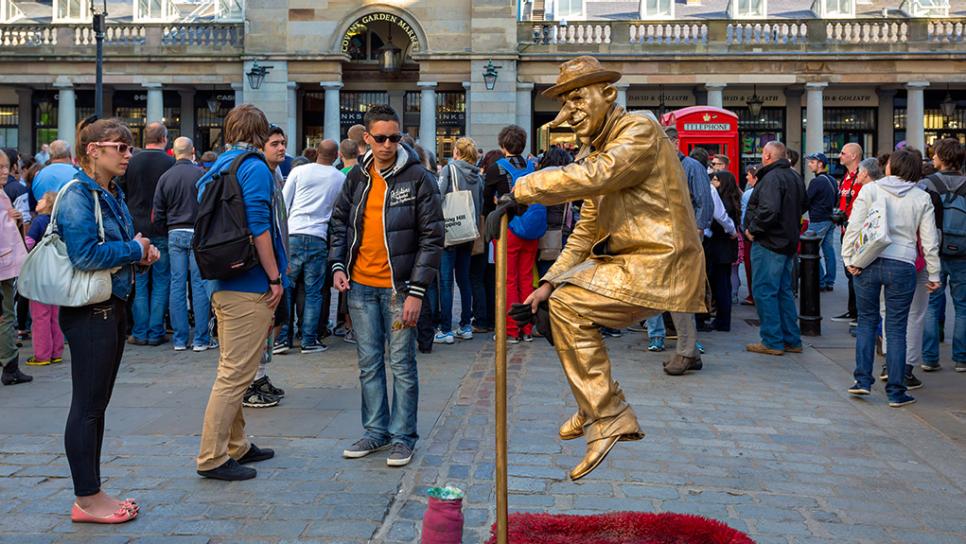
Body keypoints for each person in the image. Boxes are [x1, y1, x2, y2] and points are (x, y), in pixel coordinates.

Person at [491, 56, 706, 481]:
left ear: (608, 94)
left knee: (571, 309)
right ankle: (594, 404)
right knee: (558, 306)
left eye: (577, 99)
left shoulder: (638, 132)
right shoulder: (598, 149)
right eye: (564, 104)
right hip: (630, 260)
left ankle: (608, 414)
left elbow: (596, 175)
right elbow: (586, 229)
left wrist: (522, 187)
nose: (569, 114)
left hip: (659, 261)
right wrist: (548, 284)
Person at [56, 117, 160, 522]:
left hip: (111, 305)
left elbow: (117, 247)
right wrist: (135, 251)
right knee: (86, 406)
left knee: (96, 405)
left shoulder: (109, 192)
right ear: (93, 150)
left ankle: (93, 491)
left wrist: (141, 255)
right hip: (89, 311)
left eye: (130, 147)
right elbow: (84, 255)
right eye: (120, 147)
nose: (128, 155)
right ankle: (87, 498)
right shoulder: (78, 195)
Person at [330, 104, 443, 468]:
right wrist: (337, 265)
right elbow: (339, 223)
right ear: (367, 138)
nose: (387, 145)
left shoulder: (418, 178)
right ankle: (376, 431)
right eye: (380, 138)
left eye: (394, 138)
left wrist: (417, 291)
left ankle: (402, 437)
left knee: (402, 364)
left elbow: (432, 238)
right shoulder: (356, 178)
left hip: (399, 289)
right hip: (361, 285)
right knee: (368, 363)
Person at [195, 105, 286, 481]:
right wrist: (275, 277)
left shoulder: (216, 167)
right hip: (249, 284)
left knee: (233, 368)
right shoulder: (254, 168)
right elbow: (260, 228)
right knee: (234, 375)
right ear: (261, 133)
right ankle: (213, 456)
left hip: (221, 279)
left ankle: (237, 444)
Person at [842, 147, 940, 407]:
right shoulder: (922, 197)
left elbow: (854, 226)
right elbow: (929, 241)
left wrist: (848, 258)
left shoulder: (871, 190)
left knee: (866, 322)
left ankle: (862, 380)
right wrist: (933, 272)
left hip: (869, 261)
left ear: (889, 167)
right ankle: (896, 391)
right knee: (896, 328)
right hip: (903, 264)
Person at [276, 139, 345, 353]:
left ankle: (282, 338)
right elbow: (337, 210)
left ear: (316, 153)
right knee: (314, 291)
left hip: (294, 234)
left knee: (288, 287)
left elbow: (283, 203)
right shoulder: (340, 178)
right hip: (318, 235)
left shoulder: (300, 172)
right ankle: (309, 339)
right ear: (336, 156)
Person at [744, 141, 806, 356]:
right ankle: (791, 339)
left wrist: (753, 229)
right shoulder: (794, 176)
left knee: (764, 291)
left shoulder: (771, 178)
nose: (762, 157)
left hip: (769, 242)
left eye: (763, 153)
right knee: (783, 292)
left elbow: (769, 209)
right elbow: (803, 204)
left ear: (769, 155)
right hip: (787, 241)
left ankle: (772, 340)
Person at [152, 136, 213, 352]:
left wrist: (165, 228)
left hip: (174, 232)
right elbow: (209, 206)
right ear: (193, 151)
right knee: (199, 284)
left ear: (173, 152)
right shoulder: (200, 175)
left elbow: (158, 212)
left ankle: (179, 339)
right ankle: (201, 339)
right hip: (196, 232)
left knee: (177, 285)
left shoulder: (166, 177)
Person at [245, 124, 290, 408]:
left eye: (283, 142)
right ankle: (250, 382)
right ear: (262, 147)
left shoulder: (276, 174)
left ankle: (260, 375)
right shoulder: (260, 174)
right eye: (275, 143)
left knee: (271, 323)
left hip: (277, 262)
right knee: (258, 326)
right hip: (263, 267)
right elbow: (260, 226)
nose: (281, 148)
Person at [125, 122, 175, 346]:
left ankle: (140, 331)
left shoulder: (131, 161)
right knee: (162, 280)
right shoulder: (170, 162)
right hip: (161, 227)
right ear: (164, 138)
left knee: (141, 282)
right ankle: (156, 332)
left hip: (136, 227)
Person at [921, 138, 966, 373]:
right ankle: (961, 358)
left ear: (943, 157)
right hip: (962, 252)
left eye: (935, 153)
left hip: (934, 251)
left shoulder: (928, 183)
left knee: (931, 305)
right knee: (963, 306)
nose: (933, 157)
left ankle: (929, 358)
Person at [434, 137, 483, 344]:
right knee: (464, 279)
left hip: (450, 232)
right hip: (468, 232)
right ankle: (465, 325)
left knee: (446, 282)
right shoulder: (478, 177)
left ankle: (446, 329)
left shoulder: (450, 170)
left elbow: (438, 197)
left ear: (456, 152)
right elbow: (479, 205)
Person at [23, 191, 64, 367]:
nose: (38, 201)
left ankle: (42, 354)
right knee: (54, 314)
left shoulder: (39, 221)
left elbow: (29, 243)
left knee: (40, 316)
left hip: (40, 274)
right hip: (56, 273)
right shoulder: (59, 222)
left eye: (42, 199)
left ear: (47, 204)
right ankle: (56, 351)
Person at [0, 148, 30, 386]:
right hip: (4, 262)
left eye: (5, 167)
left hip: (6, 261)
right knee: (6, 315)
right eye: (0, 168)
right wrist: (10, 218)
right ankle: (10, 364)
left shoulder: (3, 193)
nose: (5, 172)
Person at [831, 143, 864, 324]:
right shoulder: (846, 176)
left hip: (856, 232)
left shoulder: (862, 176)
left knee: (855, 272)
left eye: (843, 153)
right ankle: (852, 311)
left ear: (853, 156)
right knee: (848, 272)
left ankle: (859, 313)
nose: (840, 156)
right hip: (846, 230)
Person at [706, 170, 741, 331]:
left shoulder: (723, 203)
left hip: (719, 249)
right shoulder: (733, 200)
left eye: (716, 180)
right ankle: (723, 319)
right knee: (724, 283)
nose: (713, 183)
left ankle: (722, 320)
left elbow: (720, 221)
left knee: (721, 285)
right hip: (726, 249)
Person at [804, 152, 838, 291]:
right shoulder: (832, 180)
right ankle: (830, 280)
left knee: (810, 250)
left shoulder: (816, 181)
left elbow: (806, 201)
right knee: (829, 251)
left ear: (820, 164)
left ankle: (821, 281)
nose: (809, 165)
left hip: (818, 220)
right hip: (830, 219)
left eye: (812, 162)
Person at [740, 164, 760, 306]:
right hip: (765, 235)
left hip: (750, 234)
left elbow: (744, 216)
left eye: (748, 175)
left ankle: (753, 295)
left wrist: (745, 230)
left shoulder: (748, 194)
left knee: (750, 267)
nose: (746, 177)